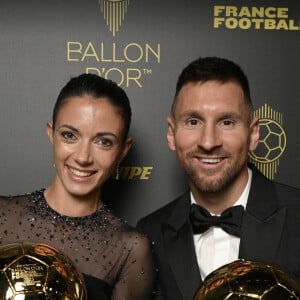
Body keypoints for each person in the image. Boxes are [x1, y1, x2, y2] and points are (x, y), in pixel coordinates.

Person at [137, 56, 300, 300]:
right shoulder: (149, 234)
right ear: (172, 134)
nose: (209, 142)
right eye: (193, 122)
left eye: (226, 122)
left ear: (253, 133)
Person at [0, 73, 156, 299]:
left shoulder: (130, 249)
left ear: (123, 150)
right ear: (51, 134)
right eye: (69, 135)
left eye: (104, 142)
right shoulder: (3, 215)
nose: (83, 157)